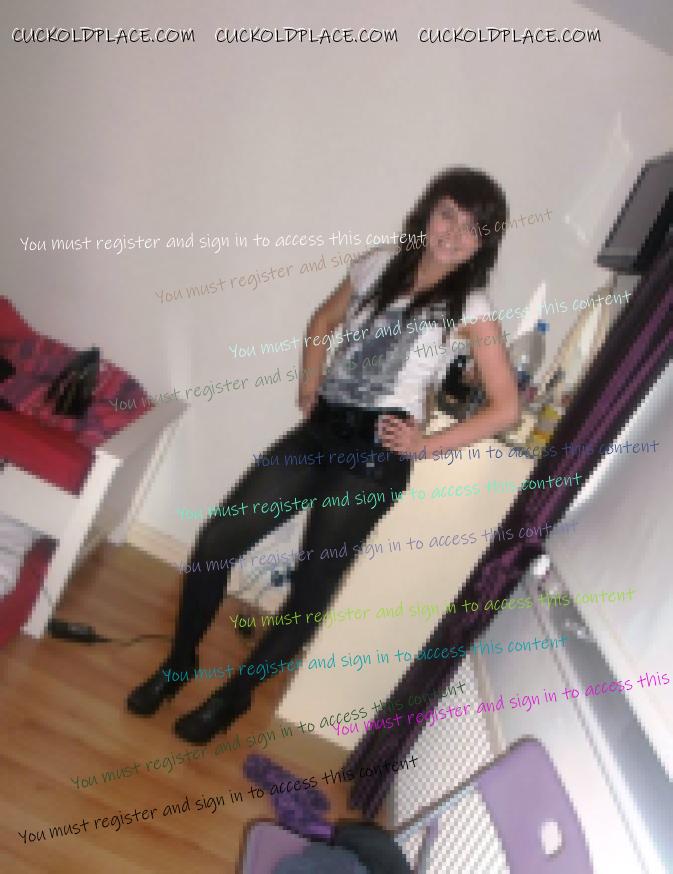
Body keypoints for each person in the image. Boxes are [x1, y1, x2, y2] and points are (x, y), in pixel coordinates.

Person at [127, 167, 520, 743]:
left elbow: (506, 408)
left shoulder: (472, 305)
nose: (454, 234)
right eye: (447, 216)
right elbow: (323, 319)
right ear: (427, 212)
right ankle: (178, 663)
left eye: (472, 228)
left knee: (311, 589)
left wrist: (426, 445)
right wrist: (311, 380)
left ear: (484, 242)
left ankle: (233, 698)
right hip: (322, 430)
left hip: (375, 457)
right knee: (217, 540)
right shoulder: (379, 264)